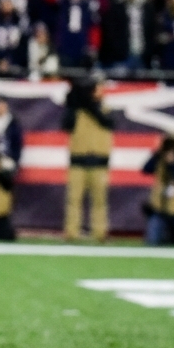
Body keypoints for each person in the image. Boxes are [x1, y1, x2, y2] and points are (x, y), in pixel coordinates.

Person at [62, 78, 114, 243]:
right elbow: (66, 125)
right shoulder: (77, 110)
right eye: (98, 88)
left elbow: (108, 123)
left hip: (98, 159)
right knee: (74, 199)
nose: (101, 91)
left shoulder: (104, 109)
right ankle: (71, 232)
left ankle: (100, 232)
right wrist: (74, 105)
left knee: (99, 200)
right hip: (79, 158)